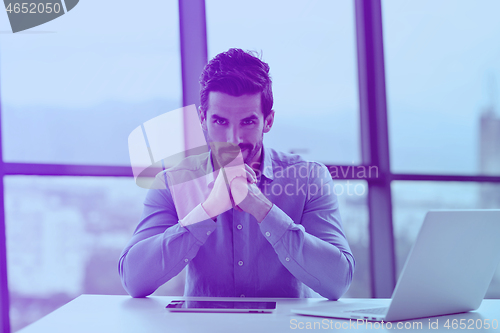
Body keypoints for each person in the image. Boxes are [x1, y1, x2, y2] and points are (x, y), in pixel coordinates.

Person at [119, 48, 355, 299]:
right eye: (220, 122)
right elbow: (134, 280)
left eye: (248, 122)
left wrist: (263, 210)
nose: (233, 139)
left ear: (268, 121)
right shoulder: (172, 181)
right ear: (203, 119)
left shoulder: (309, 179)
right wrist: (207, 210)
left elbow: (338, 282)